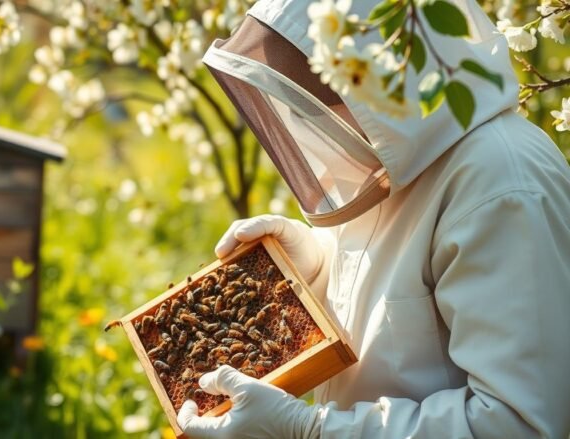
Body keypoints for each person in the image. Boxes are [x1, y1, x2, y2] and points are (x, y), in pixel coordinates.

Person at [176, 0, 570, 437]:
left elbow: (519, 424)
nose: (322, 122)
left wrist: (306, 430)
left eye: (325, 94)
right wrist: (316, 271)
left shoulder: (501, 184)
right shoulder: (397, 154)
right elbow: (400, 313)